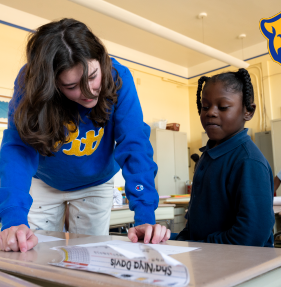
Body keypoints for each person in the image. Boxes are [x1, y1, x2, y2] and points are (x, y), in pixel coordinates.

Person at [0, 18, 170, 253]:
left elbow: (134, 143)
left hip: (95, 182)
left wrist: (145, 215)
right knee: (30, 253)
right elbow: (17, 148)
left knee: (92, 257)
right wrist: (12, 218)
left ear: (101, 61)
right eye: (72, 86)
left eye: (92, 77)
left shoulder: (119, 77)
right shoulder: (30, 83)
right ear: (51, 84)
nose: (89, 92)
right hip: (44, 181)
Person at [175, 69, 274, 246]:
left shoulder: (248, 161)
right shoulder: (208, 155)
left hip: (239, 264)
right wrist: (170, 240)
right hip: (208, 258)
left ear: (248, 112)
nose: (211, 112)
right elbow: (197, 225)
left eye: (223, 107)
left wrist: (200, 245)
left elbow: (251, 234)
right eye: (205, 106)